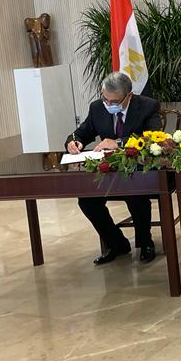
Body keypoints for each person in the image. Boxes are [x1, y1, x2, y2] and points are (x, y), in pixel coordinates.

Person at [65, 71, 162, 264]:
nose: (109, 104)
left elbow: (153, 138)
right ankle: (116, 243)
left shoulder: (148, 106)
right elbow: (81, 133)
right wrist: (73, 142)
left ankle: (145, 242)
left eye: (115, 101)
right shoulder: (97, 108)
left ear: (129, 96)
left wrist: (118, 142)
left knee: (134, 193)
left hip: (139, 169)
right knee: (87, 200)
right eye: (106, 99)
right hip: (108, 171)